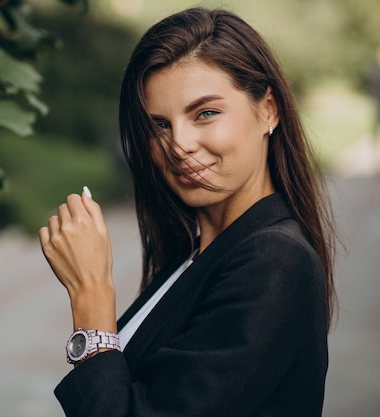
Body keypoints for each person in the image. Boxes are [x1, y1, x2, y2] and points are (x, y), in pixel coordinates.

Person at [39, 7, 336, 417]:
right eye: (159, 125)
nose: (179, 144)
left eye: (205, 113)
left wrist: (90, 294)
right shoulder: (196, 252)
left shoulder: (274, 261)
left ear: (268, 109)